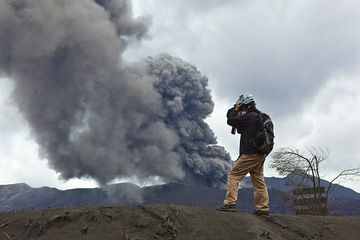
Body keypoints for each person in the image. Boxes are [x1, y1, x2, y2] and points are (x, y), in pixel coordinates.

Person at [217, 93, 270, 216]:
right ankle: (263, 208)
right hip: (260, 154)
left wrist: (234, 109)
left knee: (233, 175)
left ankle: (230, 203)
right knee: (258, 181)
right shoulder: (258, 116)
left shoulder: (249, 117)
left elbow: (231, 120)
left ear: (244, 103)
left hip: (250, 154)